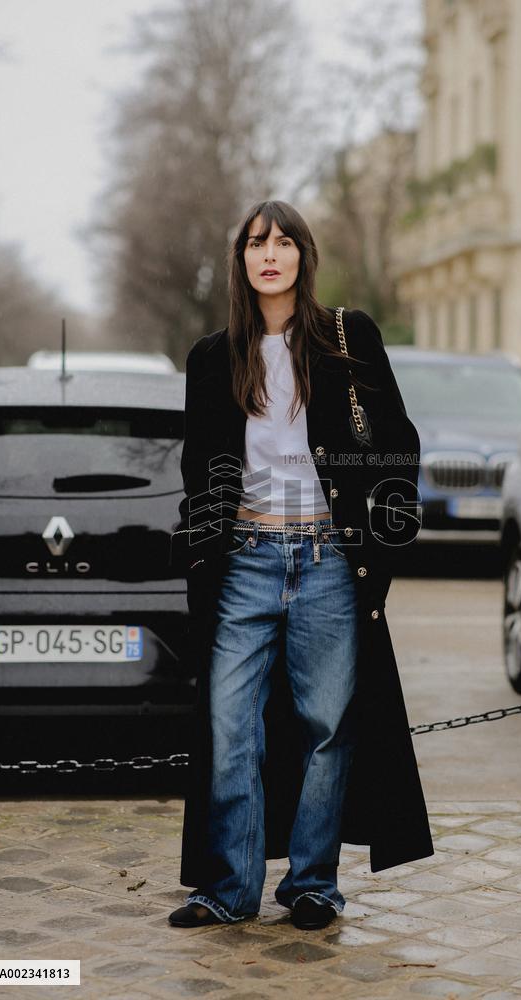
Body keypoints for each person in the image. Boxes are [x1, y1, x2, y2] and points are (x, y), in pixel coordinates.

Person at [169, 200, 434, 932]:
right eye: (256, 243)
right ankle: (230, 887)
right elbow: (200, 471)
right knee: (231, 728)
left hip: (326, 560)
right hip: (245, 562)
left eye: (283, 242)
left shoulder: (349, 339)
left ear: (303, 257)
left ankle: (313, 884)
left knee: (327, 726)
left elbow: (397, 444)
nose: (270, 254)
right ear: (241, 261)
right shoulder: (212, 358)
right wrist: (203, 540)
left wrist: (384, 533)